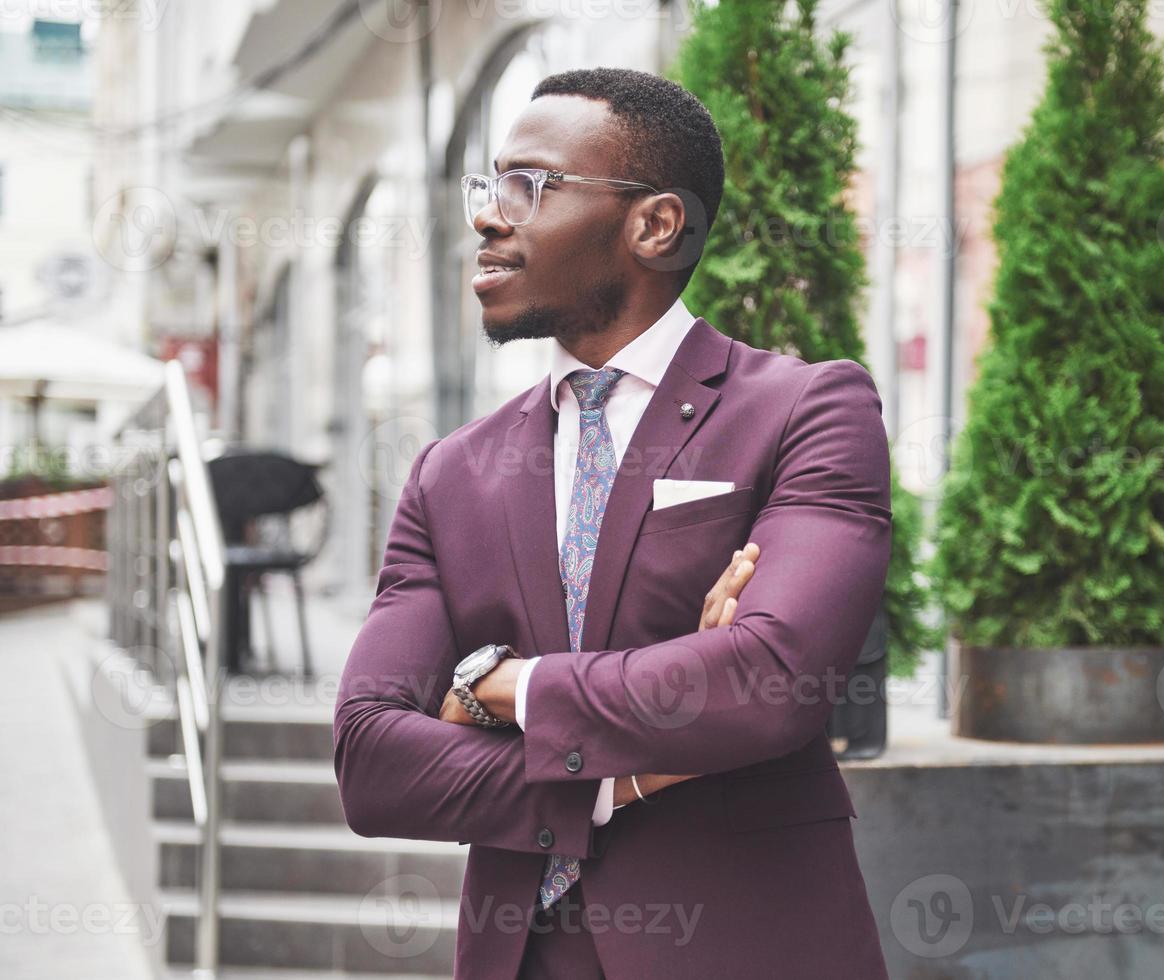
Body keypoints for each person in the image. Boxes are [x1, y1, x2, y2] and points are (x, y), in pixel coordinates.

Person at [333, 67, 892, 979]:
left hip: (744, 946)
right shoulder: (453, 472)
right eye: (489, 185)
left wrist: (497, 687)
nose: (488, 216)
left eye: (531, 185)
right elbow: (369, 758)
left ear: (655, 223)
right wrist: (620, 778)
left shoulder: (804, 411)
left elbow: (770, 680)